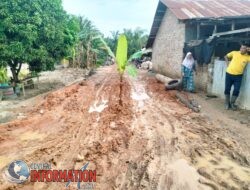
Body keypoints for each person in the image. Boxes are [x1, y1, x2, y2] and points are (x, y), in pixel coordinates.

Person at [224, 44, 250, 110]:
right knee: (227, 89)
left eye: (244, 48)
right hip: (229, 74)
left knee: (236, 90)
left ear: (246, 49)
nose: (242, 49)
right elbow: (226, 56)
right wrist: (227, 64)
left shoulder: (248, 57)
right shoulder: (234, 53)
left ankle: (232, 103)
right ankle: (227, 103)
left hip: (238, 76)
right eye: (241, 48)